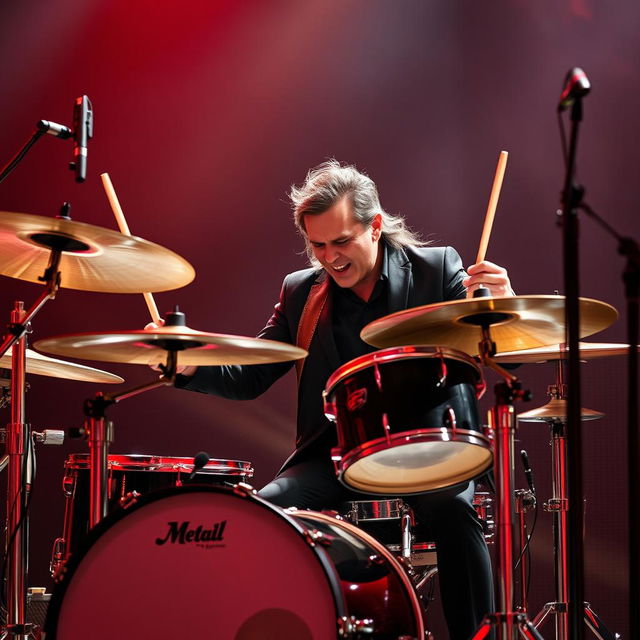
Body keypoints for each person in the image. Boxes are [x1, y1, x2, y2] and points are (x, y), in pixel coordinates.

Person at [172, 160, 513, 639]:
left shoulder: (437, 269)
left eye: (341, 242)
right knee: (266, 514)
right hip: (335, 455)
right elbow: (250, 376)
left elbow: (497, 353)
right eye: (317, 246)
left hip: (429, 450)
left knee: (455, 512)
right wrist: (185, 363)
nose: (330, 258)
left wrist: (500, 308)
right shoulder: (300, 292)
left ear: (375, 226)